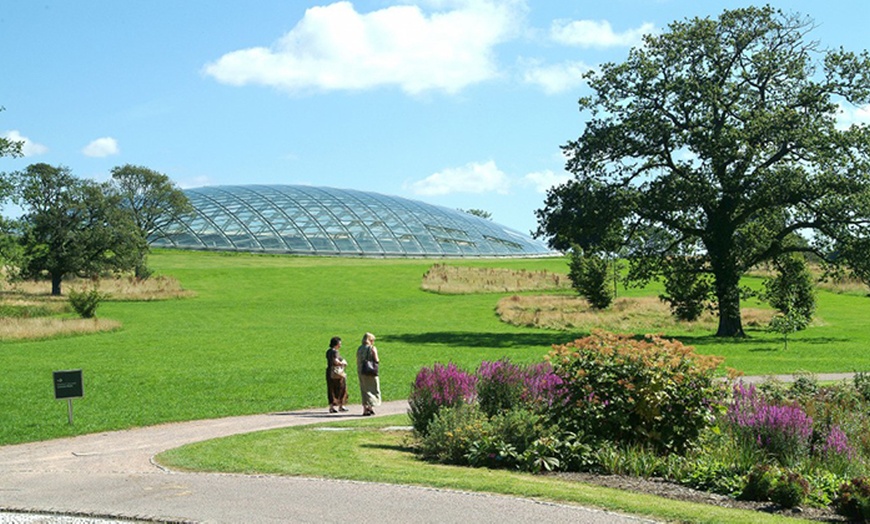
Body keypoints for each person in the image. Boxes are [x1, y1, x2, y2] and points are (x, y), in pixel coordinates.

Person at [356, 331, 381, 416]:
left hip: (361, 371)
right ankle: (370, 407)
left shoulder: (359, 348)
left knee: (364, 390)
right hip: (370, 371)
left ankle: (365, 409)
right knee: (373, 389)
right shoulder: (372, 348)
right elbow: (377, 359)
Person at [325, 336, 348, 413]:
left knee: (331, 389)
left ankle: (331, 406)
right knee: (342, 388)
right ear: (336, 344)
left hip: (329, 372)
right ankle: (341, 405)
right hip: (337, 372)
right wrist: (343, 363)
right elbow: (336, 361)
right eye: (339, 344)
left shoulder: (328, 351)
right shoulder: (335, 352)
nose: (340, 345)